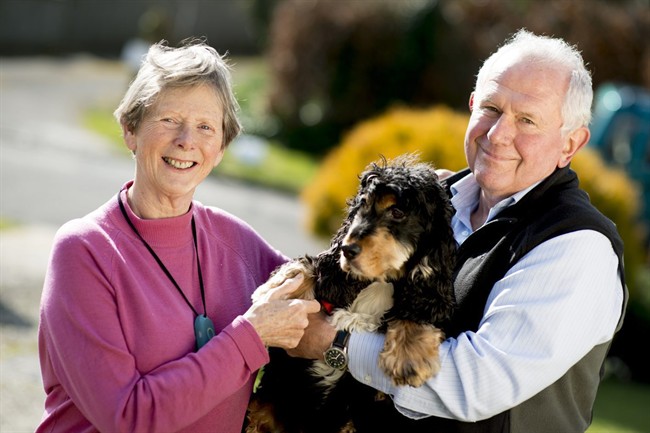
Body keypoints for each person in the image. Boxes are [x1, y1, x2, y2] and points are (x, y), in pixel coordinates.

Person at [291, 29, 628, 433]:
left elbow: (475, 384)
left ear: (571, 144)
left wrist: (335, 344)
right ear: (471, 107)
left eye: (527, 120)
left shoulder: (576, 247)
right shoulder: (431, 204)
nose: (499, 134)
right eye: (491, 108)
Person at [36, 40, 320, 433]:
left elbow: (327, 309)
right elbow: (128, 417)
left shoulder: (238, 243)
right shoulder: (85, 250)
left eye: (206, 127)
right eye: (169, 119)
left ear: (220, 148)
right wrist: (249, 337)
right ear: (130, 130)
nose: (187, 139)